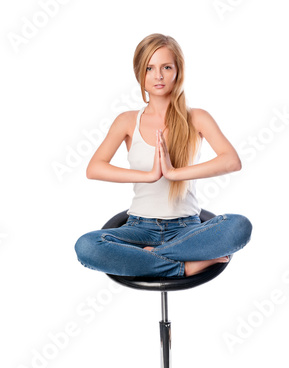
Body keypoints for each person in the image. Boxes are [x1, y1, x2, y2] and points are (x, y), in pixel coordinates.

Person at [74, 33, 252, 277]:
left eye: (166, 67)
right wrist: (149, 176)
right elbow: (94, 168)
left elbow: (231, 161)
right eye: (150, 68)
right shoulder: (127, 121)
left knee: (239, 226)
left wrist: (173, 173)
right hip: (139, 228)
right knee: (86, 246)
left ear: (178, 70)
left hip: (188, 229)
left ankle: (153, 258)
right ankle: (183, 266)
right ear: (140, 73)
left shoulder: (197, 117)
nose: (158, 76)